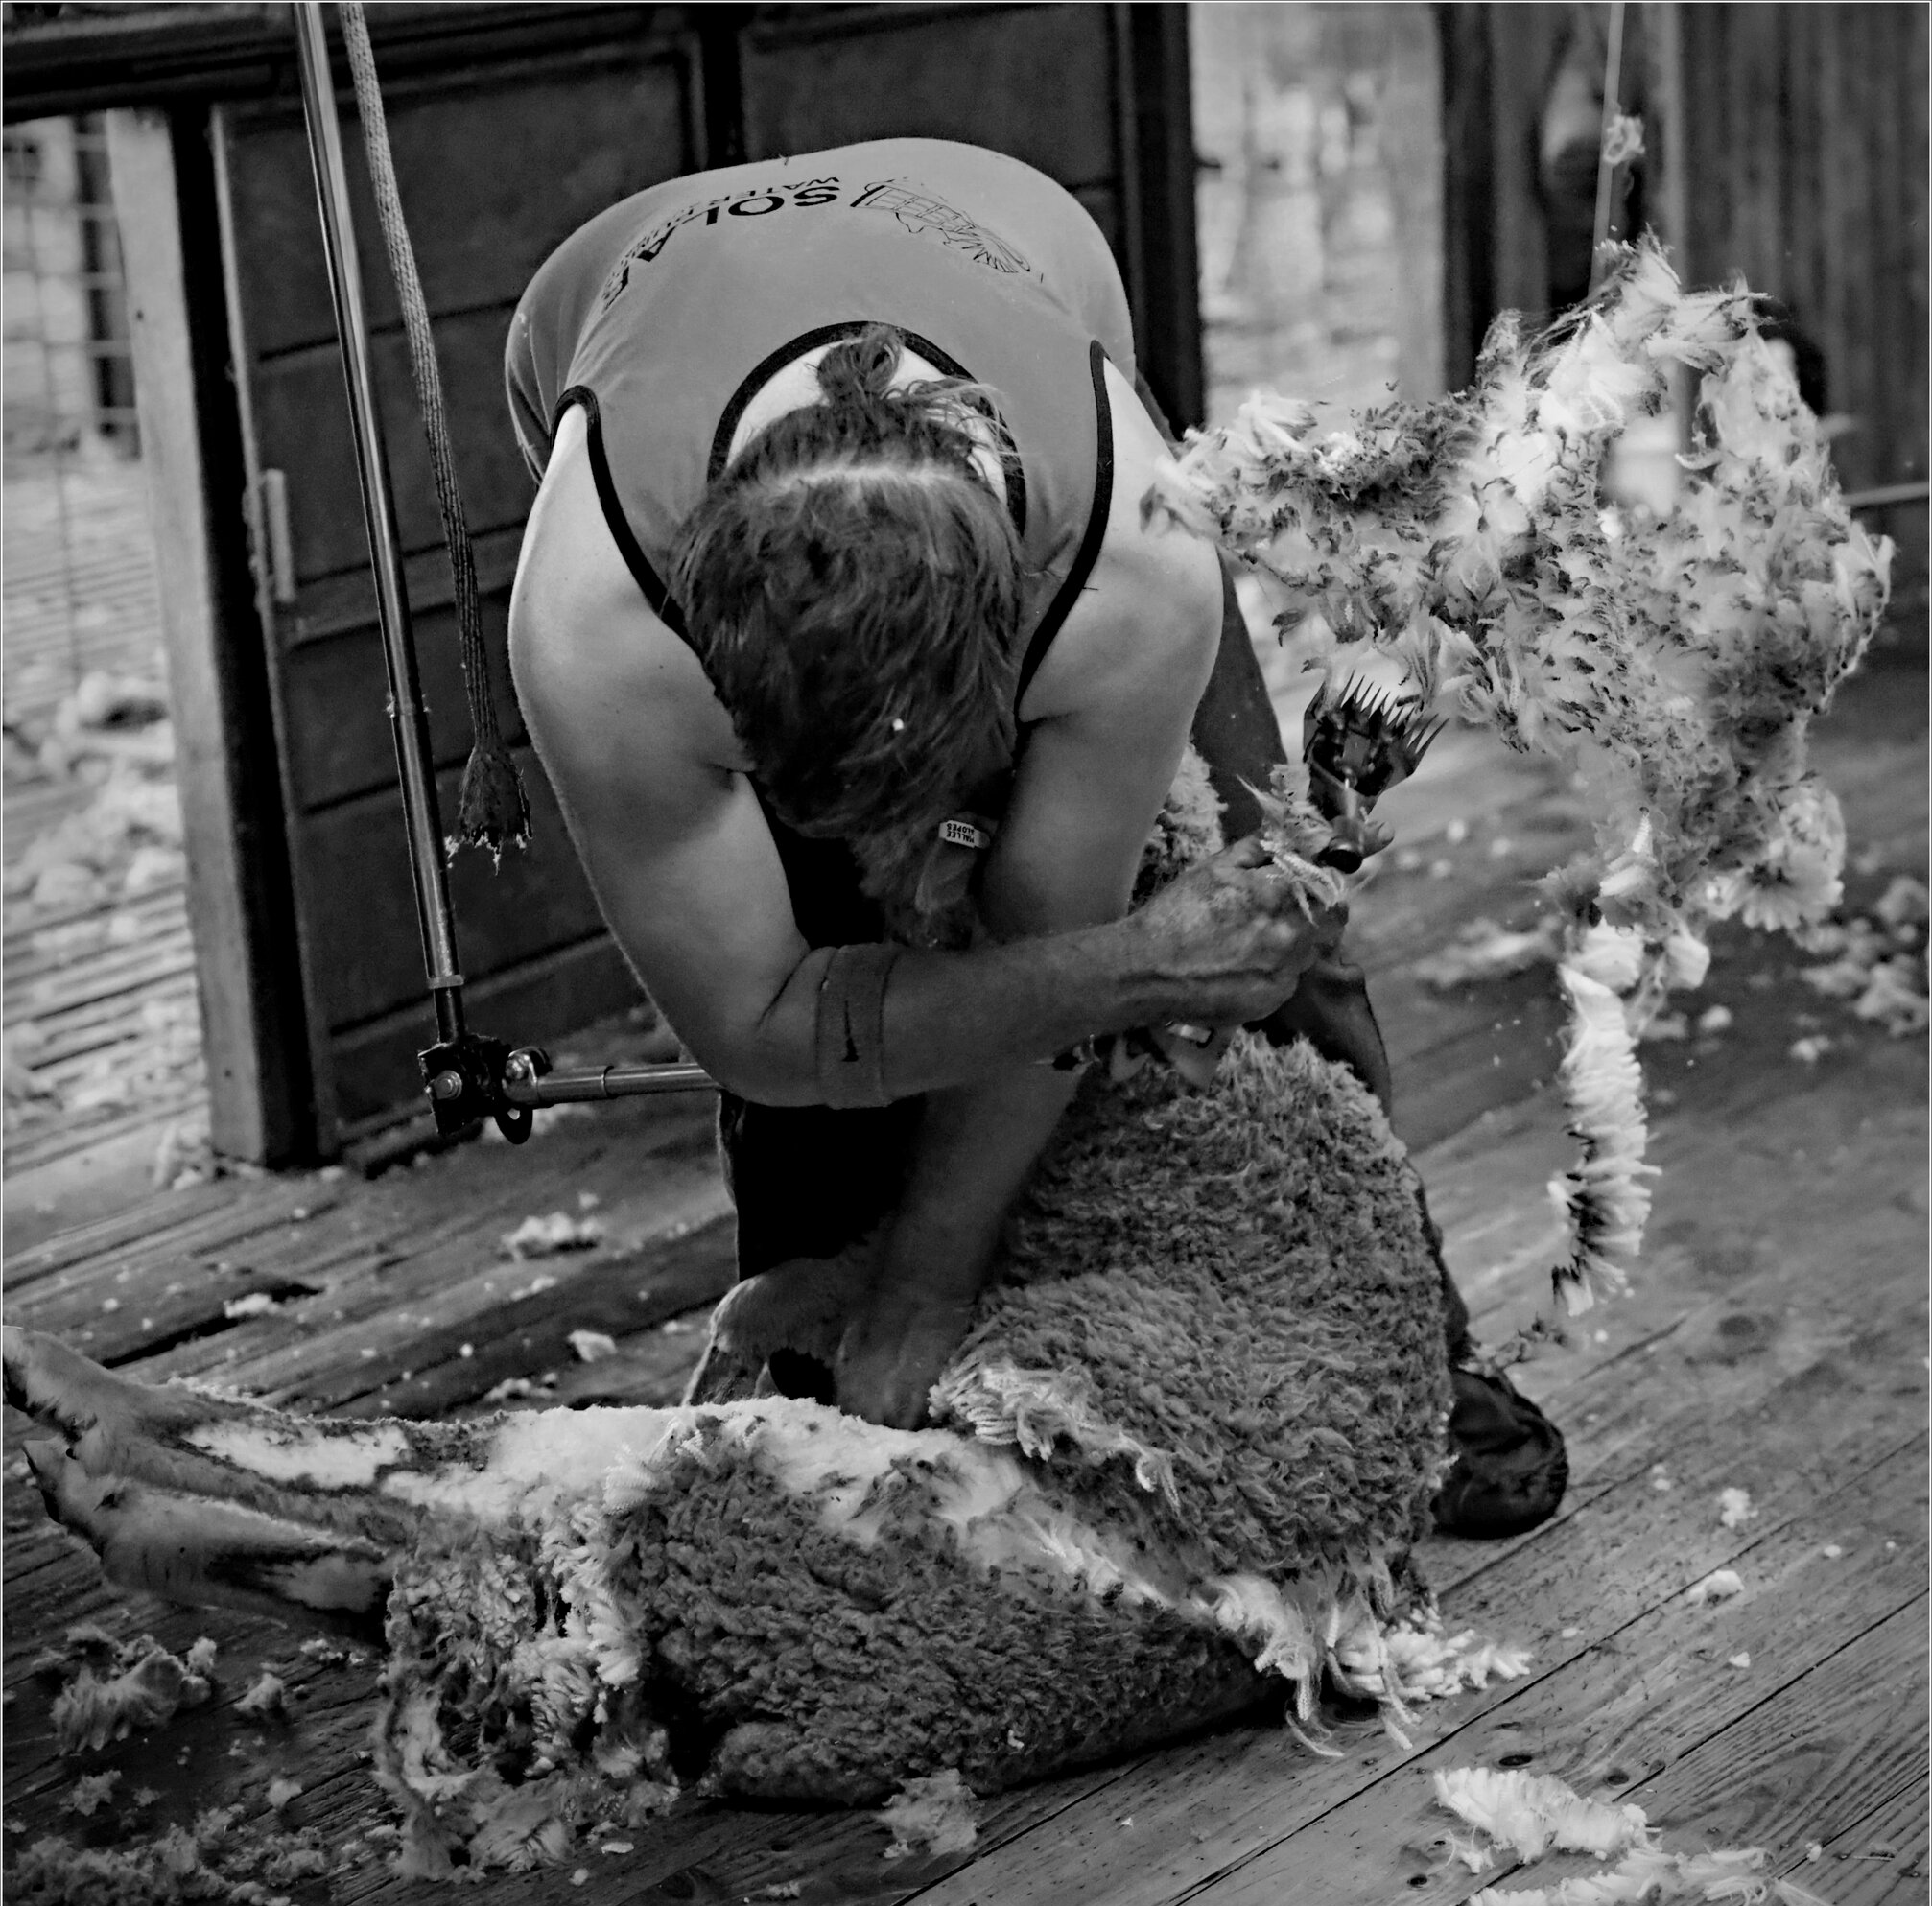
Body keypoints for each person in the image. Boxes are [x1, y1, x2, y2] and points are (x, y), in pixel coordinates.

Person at [504, 137, 1566, 1535]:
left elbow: (1042, 942)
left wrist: (932, 1277)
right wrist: (1126, 971)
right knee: (839, 959)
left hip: (1019, 264)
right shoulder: (597, 625)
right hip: (606, 312)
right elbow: (759, 1022)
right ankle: (818, 1327)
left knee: (1257, 904)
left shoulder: (1130, 575)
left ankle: (1399, 1338)